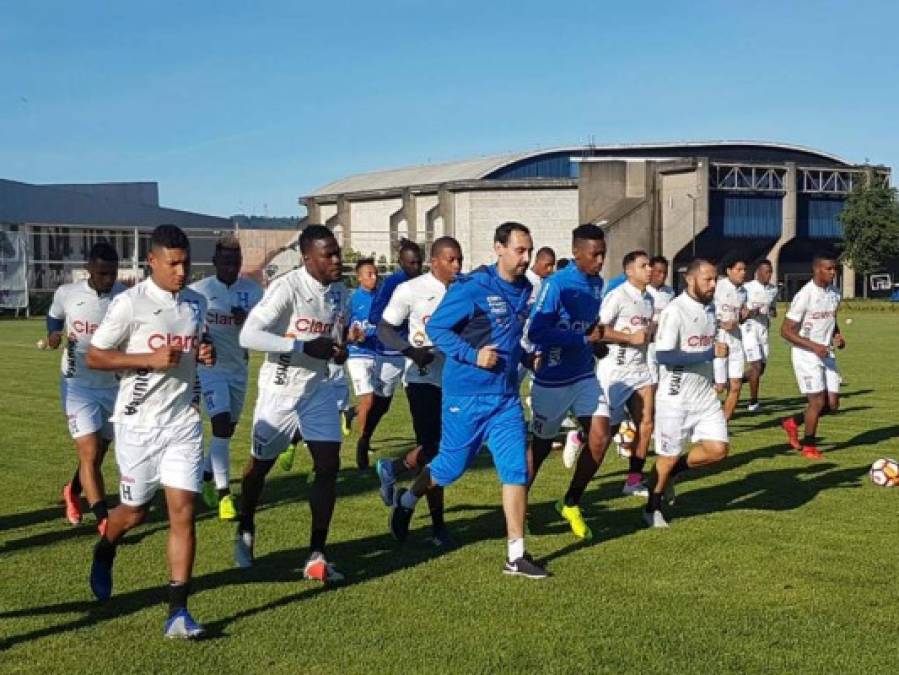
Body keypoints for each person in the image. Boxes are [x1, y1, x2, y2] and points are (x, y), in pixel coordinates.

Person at [388, 222, 548, 579]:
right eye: (520, 250)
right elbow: (437, 329)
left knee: (516, 471)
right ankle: (407, 500)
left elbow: (510, 336)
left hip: (505, 398)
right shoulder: (473, 287)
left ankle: (516, 555)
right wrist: (473, 355)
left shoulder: (525, 290)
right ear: (499, 248)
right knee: (449, 468)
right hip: (466, 394)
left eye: (530, 251)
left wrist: (524, 358)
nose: (526, 258)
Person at [86, 224, 214, 638]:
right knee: (136, 511)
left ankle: (178, 612)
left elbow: (194, 346)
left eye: (186, 263)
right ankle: (106, 546)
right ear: (152, 262)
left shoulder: (196, 303)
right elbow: (95, 356)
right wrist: (148, 358)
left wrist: (203, 351)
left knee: (183, 511)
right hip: (138, 423)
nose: (181, 272)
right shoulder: (129, 303)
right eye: (173, 264)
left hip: (182, 422)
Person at [234, 225, 349, 582]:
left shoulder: (341, 291)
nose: (336, 260)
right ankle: (246, 522)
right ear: (307, 258)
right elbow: (248, 334)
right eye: (328, 255)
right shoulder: (287, 287)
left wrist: (338, 349)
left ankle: (317, 553)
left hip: (318, 391)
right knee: (259, 469)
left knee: (328, 465)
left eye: (337, 252)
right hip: (280, 393)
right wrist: (301, 345)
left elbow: (333, 336)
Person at [375, 236, 463, 548]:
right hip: (421, 378)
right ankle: (437, 525)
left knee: (443, 450)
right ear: (434, 261)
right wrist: (412, 352)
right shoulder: (411, 290)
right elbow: (384, 329)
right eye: (450, 260)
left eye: (459, 259)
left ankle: (394, 469)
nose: (456, 266)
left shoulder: (465, 289)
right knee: (437, 451)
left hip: (457, 380)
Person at [525, 224, 610, 541]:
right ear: (576, 253)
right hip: (553, 379)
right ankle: (520, 502)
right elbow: (536, 331)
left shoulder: (597, 283)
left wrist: (595, 342)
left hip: (585, 375)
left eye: (603, 254)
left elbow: (590, 327)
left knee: (600, 438)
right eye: (595, 255)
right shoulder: (556, 284)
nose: (600, 260)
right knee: (542, 447)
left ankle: (570, 501)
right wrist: (580, 338)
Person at [47, 242, 125, 534]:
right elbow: (54, 317)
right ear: (90, 268)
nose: (108, 279)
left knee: (100, 450)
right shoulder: (68, 293)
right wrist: (53, 334)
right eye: (103, 273)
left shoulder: (125, 297)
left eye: (113, 273)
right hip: (77, 385)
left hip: (113, 387)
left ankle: (72, 489)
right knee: (89, 452)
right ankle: (104, 520)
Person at [645, 258, 729, 528]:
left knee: (718, 451)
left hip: (704, 397)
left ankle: (671, 474)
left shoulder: (710, 309)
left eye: (715, 279)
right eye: (708, 279)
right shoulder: (675, 311)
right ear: (690, 280)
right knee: (666, 457)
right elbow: (664, 355)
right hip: (675, 398)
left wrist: (719, 377)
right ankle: (652, 507)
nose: (713, 284)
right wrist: (708, 353)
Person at [189, 235, 263, 521]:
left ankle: (206, 475)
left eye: (236, 262)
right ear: (215, 262)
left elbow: (266, 328)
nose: (231, 267)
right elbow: (189, 327)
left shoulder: (254, 293)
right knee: (220, 426)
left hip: (239, 370)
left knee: (226, 431)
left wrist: (249, 321)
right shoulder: (200, 292)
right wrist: (202, 340)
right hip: (210, 369)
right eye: (226, 261)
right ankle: (224, 496)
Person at [356, 239, 423, 469]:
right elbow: (375, 316)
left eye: (419, 262)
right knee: (381, 403)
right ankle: (364, 440)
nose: (417, 267)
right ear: (401, 262)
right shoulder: (392, 284)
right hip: (390, 351)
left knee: (419, 399)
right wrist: (400, 318)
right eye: (412, 263)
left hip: (415, 352)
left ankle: (424, 446)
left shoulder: (425, 283)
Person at [596, 250, 655, 497]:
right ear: (629, 271)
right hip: (616, 372)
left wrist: (652, 331)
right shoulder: (617, 296)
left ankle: (633, 480)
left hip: (641, 370)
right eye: (643, 266)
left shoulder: (649, 299)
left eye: (650, 265)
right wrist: (629, 338)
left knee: (647, 424)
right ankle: (578, 438)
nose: (649, 269)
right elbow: (598, 330)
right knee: (607, 432)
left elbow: (644, 331)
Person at [780, 255, 844, 459]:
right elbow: (786, 331)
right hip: (806, 353)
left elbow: (831, 318)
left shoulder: (834, 293)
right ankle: (809, 446)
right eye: (829, 269)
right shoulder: (805, 295)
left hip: (825, 352)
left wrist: (836, 334)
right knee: (817, 402)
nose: (833, 272)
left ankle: (792, 421)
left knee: (832, 405)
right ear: (817, 270)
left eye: (835, 269)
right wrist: (814, 346)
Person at [344, 258, 380, 446]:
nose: (374, 278)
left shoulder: (382, 298)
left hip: (376, 354)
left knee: (377, 401)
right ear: (359, 278)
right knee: (368, 398)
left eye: (376, 274)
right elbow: (343, 330)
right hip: (357, 355)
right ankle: (363, 443)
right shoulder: (352, 300)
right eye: (370, 274)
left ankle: (352, 412)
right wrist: (351, 336)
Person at [713, 256, 749, 421]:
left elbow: (739, 316)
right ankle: (699, 415)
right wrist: (721, 323)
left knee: (736, 384)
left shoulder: (743, 292)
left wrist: (743, 316)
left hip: (736, 341)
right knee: (719, 387)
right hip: (719, 340)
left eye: (744, 270)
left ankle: (723, 422)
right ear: (728, 270)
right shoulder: (717, 287)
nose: (743, 273)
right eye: (739, 269)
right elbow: (705, 311)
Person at [741, 259, 779, 412]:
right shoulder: (746, 288)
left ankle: (732, 382)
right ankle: (753, 403)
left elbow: (773, 308)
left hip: (763, 329)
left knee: (760, 369)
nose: (768, 275)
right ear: (758, 272)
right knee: (755, 366)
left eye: (770, 272)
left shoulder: (773, 290)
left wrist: (772, 312)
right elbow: (740, 312)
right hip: (749, 328)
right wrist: (752, 312)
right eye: (766, 272)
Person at [646, 255, 675, 386]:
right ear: (650, 271)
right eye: (659, 272)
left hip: (664, 341)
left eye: (665, 272)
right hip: (648, 342)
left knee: (665, 379)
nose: (662, 276)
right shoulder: (644, 290)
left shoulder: (670, 292)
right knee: (651, 380)